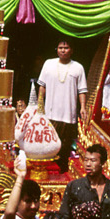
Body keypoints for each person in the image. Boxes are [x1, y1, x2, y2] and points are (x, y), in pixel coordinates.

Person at [37, 40, 88, 173]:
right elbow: (42, 86)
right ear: (57, 49)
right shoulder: (48, 64)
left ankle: (63, 170)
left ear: (72, 50)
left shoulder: (78, 67)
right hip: (50, 112)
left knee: (64, 144)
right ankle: (47, 170)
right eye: (60, 47)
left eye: (66, 47)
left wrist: (83, 107)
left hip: (68, 113)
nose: (63, 50)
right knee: (48, 142)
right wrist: (39, 104)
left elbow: (82, 90)